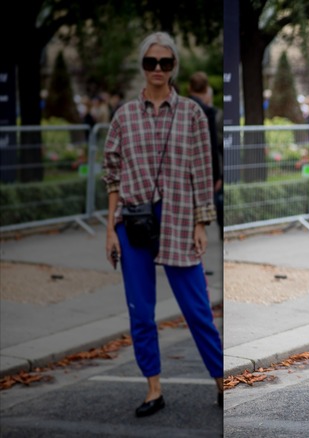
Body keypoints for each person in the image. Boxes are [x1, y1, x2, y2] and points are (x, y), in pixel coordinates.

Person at [102, 32, 223, 417]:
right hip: (132, 220)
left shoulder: (191, 114)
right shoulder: (123, 115)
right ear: (143, 66)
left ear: (174, 68)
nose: (157, 69)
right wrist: (109, 228)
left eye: (165, 63)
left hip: (179, 219)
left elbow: (203, 173)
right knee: (140, 310)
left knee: (197, 307)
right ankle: (153, 388)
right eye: (151, 62)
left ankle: (222, 381)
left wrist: (202, 224)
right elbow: (112, 174)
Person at [188, 72, 224, 240]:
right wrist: (217, 175)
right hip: (204, 168)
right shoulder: (207, 111)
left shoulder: (183, 108)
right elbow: (210, 145)